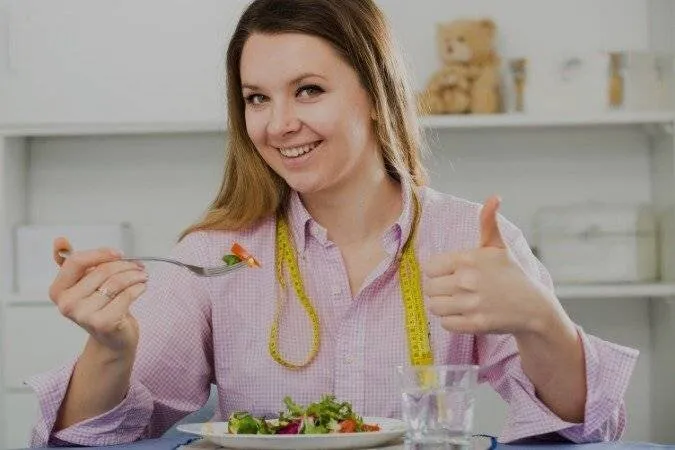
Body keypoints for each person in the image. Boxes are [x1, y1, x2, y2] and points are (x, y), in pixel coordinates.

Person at [27, 0, 638, 446]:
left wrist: (540, 320)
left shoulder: (467, 238)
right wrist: (110, 348)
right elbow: (85, 439)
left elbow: (586, 430)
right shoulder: (216, 253)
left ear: (374, 93)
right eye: (257, 98)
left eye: (309, 90)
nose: (278, 125)